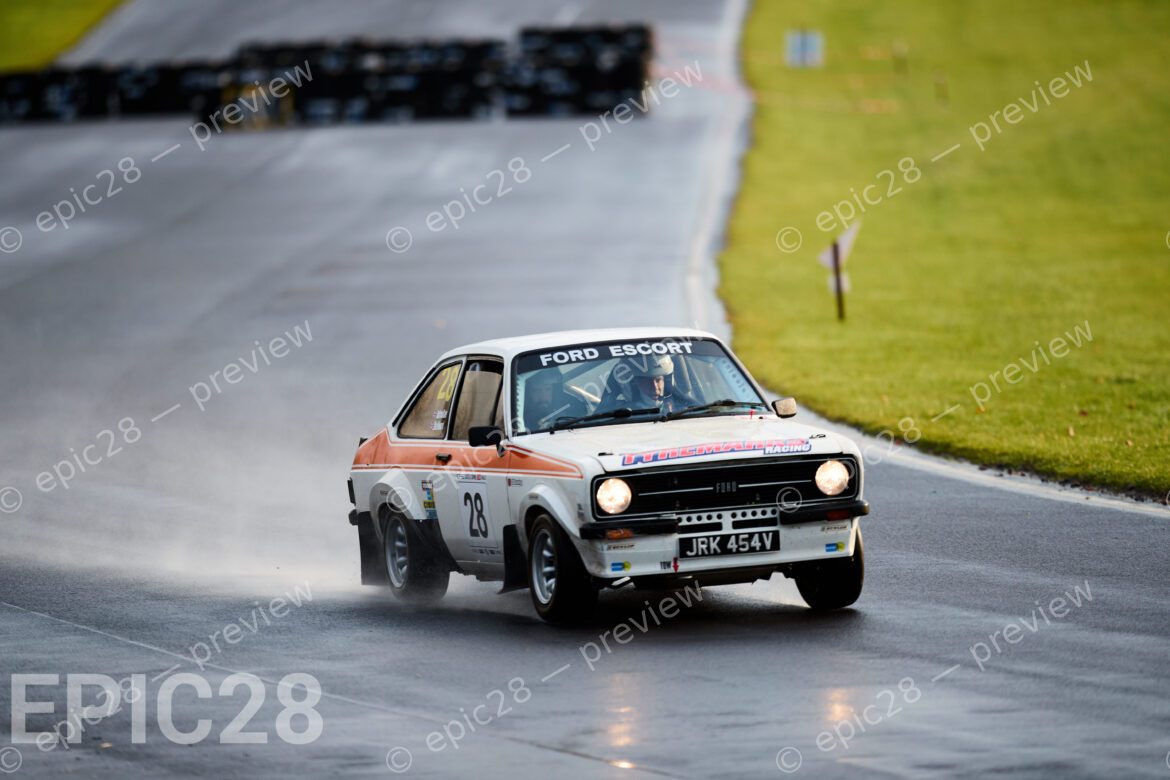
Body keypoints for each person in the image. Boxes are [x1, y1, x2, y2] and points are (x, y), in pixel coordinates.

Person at [605, 355, 693, 414]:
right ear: (632, 384)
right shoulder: (614, 417)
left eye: (658, 380)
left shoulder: (686, 409)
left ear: (666, 381)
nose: (655, 388)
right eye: (647, 382)